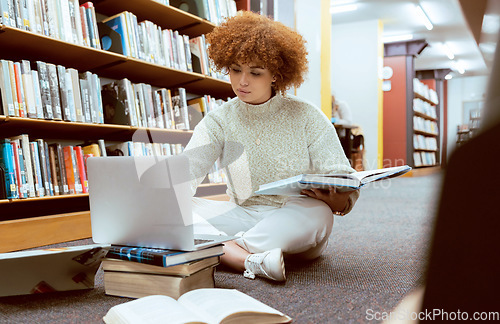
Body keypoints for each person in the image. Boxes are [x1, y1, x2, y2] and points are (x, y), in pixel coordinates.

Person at [183, 11, 360, 282]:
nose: (242, 81)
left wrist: (330, 197)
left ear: (276, 75)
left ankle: (224, 250)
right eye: (235, 69)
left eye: (255, 72)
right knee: (176, 209)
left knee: (320, 215)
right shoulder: (218, 120)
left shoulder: (307, 116)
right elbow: (186, 175)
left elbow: (343, 194)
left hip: (292, 217)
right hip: (241, 213)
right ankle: (252, 259)